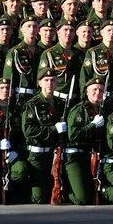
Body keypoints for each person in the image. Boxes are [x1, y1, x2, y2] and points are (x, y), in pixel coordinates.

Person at [17, 69, 69, 205]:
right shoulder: (32, 104)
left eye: (53, 80)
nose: (50, 83)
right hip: (37, 157)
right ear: (39, 83)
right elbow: (28, 130)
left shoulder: (61, 104)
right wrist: (53, 129)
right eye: (46, 80)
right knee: (39, 199)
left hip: (55, 154)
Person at [64, 76, 107, 205]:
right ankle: (65, 191)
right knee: (82, 198)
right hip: (74, 156)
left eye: (101, 90)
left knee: (93, 193)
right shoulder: (79, 109)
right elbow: (73, 135)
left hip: (90, 156)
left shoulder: (102, 109)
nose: (97, 93)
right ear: (87, 92)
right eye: (94, 89)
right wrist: (92, 125)